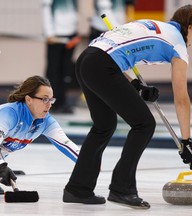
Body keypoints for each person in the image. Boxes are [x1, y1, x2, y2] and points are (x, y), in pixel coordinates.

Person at [63, 4, 192, 209]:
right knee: (144, 124)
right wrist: (186, 140)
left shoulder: (153, 25)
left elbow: (114, 51)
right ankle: (122, 188)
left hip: (87, 60)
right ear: (190, 27)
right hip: (102, 65)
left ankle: (78, 188)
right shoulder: (177, 43)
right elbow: (182, 98)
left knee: (103, 125)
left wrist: (134, 85)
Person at [42, 0, 80, 114]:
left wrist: (75, 30)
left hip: (71, 33)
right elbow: (45, 7)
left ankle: (63, 102)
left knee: (66, 72)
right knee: (53, 71)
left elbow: (74, 8)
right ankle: (51, 103)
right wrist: (49, 33)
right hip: (55, 35)